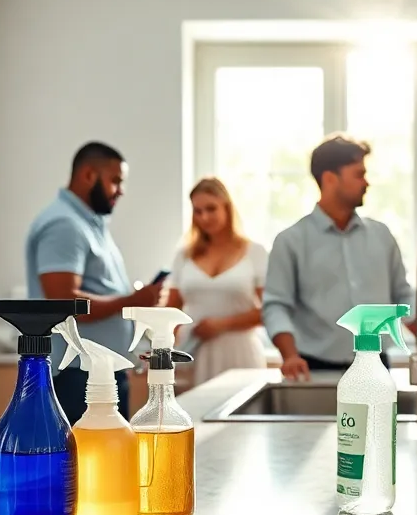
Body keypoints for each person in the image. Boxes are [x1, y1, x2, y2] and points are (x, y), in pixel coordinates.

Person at [26, 141, 162, 422]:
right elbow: (64, 302)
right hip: (76, 377)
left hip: (97, 374)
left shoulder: (87, 223)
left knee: (108, 464)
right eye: (115, 181)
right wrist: (131, 301)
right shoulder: (64, 225)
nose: (120, 190)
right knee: (87, 466)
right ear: (89, 175)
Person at [263, 134, 416, 381]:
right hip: (313, 369)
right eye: (358, 174)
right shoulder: (290, 241)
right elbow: (276, 305)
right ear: (329, 178)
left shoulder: (382, 236)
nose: (366, 183)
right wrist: (289, 355)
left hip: (377, 368)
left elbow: (403, 295)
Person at [163, 177, 269, 385]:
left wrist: (221, 325)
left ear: (227, 207)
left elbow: (270, 311)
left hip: (241, 355)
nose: (204, 217)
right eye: (198, 211)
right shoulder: (184, 255)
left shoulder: (255, 252)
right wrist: (164, 350)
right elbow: (171, 309)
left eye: (211, 209)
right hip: (194, 354)